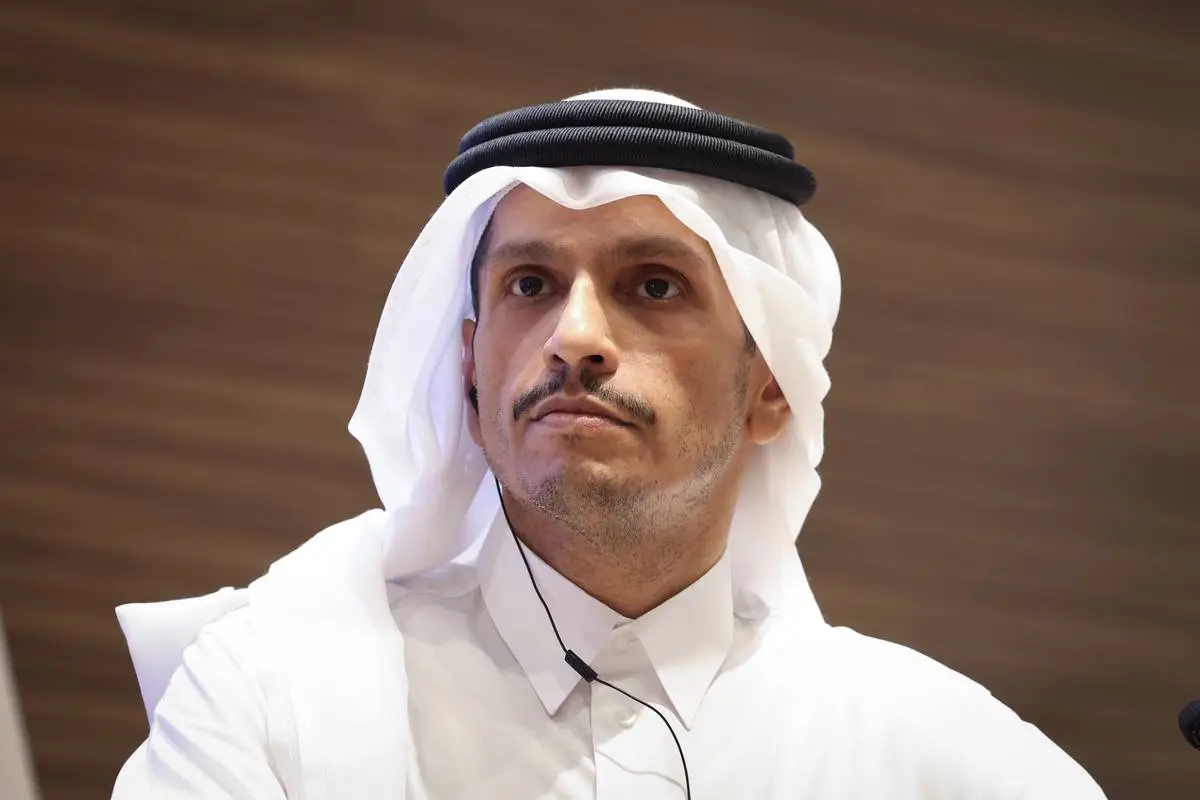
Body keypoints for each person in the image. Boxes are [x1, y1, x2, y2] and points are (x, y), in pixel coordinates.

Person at [110, 88, 1106, 799]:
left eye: (654, 285)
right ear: (468, 370)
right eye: (530, 285)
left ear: (771, 386)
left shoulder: (942, 755)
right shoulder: (273, 691)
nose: (576, 336)